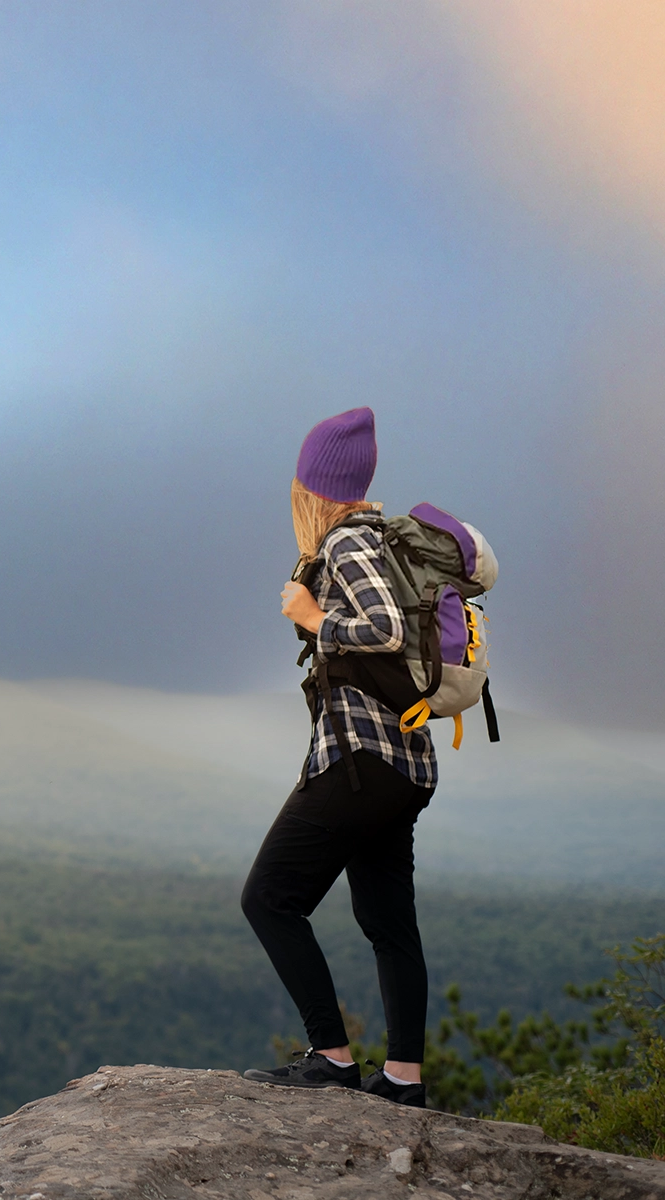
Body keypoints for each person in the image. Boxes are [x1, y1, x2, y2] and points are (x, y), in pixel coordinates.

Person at [239, 407, 434, 1108]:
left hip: (361, 763)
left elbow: (380, 627)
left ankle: (332, 1059)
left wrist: (312, 616)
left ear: (314, 487)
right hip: (405, 765)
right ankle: (403, 1082)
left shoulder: (349, 542)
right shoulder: (379, 537)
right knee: (389, 925)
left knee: (268, 898)